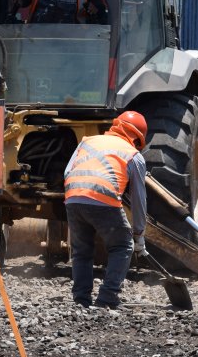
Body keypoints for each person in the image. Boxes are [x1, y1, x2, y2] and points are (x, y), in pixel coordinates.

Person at [63, 111, 148, 309]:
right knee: (122, 246)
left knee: (81, 251)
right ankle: (107, 299)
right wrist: (139, 235)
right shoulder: (133, 154)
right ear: (137, 138)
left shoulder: (87, 141)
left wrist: (74, 197)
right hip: (103, 197)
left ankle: (81, 300)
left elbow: (68, 171)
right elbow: (138, 200)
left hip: (73, 195)